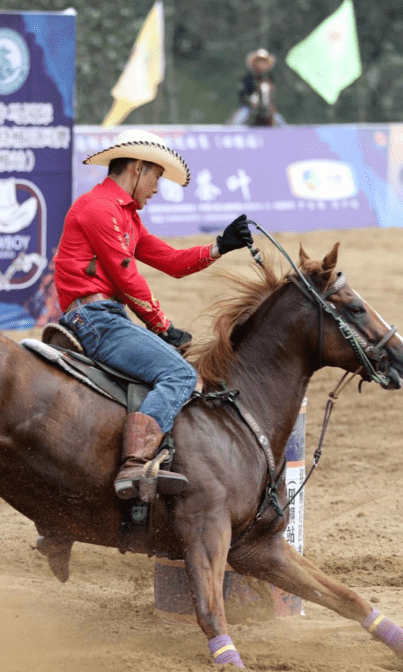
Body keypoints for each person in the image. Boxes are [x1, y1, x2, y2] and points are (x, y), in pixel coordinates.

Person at [54, 129, 254, 500]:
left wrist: (220, 246)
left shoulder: (122, 215)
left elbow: (171, 261)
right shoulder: (100, 208)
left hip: (101, 315)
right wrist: (162, 325)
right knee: (179, 373)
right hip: (97, 319)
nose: (157, 188)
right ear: (137, 167)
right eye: (156, 177)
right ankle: (134, 465)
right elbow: (125, 275)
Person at [236, 48, 278, 127]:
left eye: (264, 62)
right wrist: (250, 99)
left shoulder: (269, 77)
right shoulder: (248, 77)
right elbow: (242, 93)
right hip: (249, 107)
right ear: (255, 62)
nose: (261, 64)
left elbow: (272, 95)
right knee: (238, 120)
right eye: (259, 61)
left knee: (280, 122)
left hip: (267, 107)